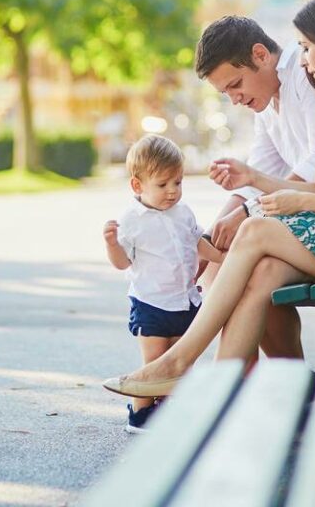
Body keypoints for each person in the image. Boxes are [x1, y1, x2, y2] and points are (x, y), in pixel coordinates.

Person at [103, 0, 315, 398]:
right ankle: (227, 397)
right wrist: (255, 182)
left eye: (307, 48)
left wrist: (280, 205)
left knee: (255, 233)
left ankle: (181, 363)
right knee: (260, 272)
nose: (301, 59)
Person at [195, 16, 315, 360]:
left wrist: (245, 214)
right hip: (301, 213)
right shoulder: (266, 101)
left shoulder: (306, 74)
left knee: (252, 262)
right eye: (226, 93)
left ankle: (278, 377)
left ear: (260, 55)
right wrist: (207, 239)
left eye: (236, 84)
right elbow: (258, 174)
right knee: (214, 260)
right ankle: (255, 376)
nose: (235, 100)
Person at [102, 134, 224, 430]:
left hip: (184, 300)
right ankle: (140, 413)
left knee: (181, 363)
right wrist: (112, 244)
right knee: (156, 363)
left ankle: (173, 412)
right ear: (137, 185)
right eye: (162, 184)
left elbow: (198, 242)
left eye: (178, 183)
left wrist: (226, 257)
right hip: (151, 303)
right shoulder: (131, 220)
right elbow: (122, 264)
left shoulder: (183, 212)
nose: (172, 192)